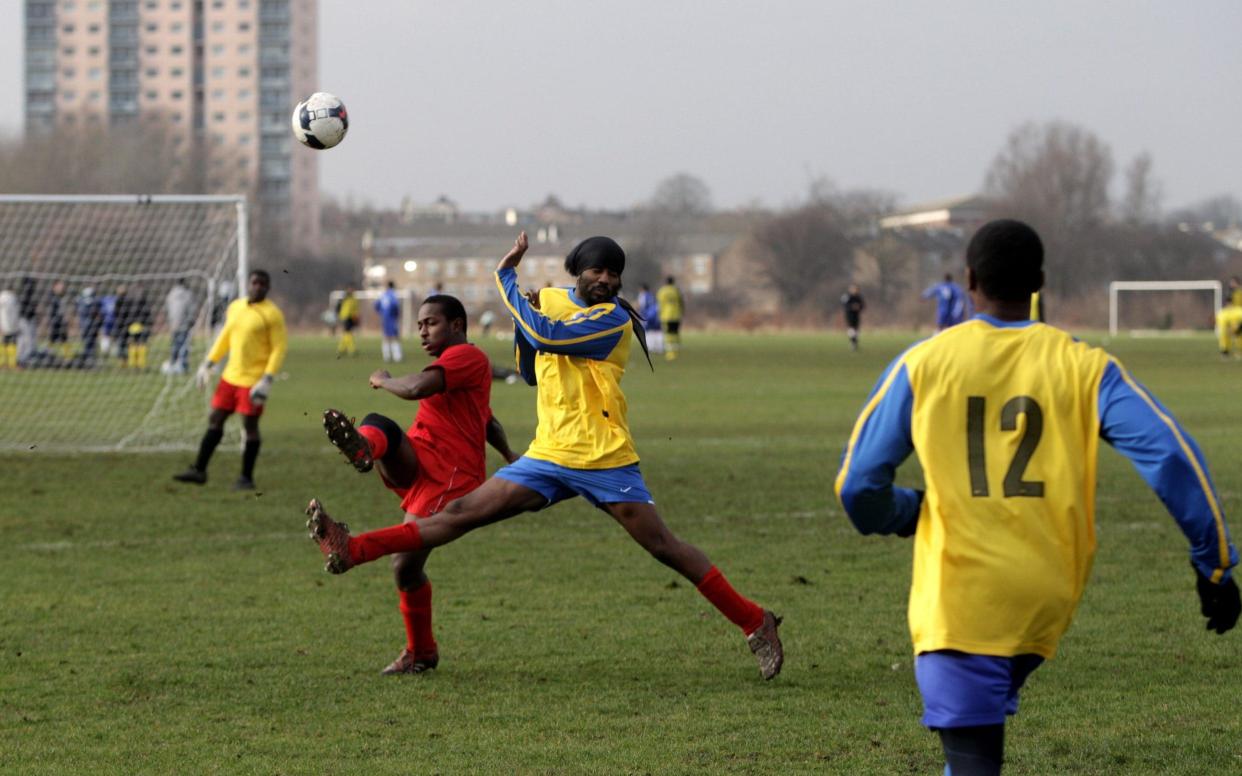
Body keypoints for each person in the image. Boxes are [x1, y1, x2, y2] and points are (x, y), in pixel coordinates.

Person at [834, 219, 1239, 776]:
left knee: (974, 761)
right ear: (1039, 282)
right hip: (1046, 600)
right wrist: (1213, 562)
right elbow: (1170, 455)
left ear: (970, 279)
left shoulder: (923, 363)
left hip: (964, 601)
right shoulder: (1087, 366)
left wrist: (908, 512)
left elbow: (858, 487)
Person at [306, 232, 784, 680]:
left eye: (615, 274)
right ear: (578, 271)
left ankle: (756, 621)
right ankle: (352, 548)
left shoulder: (615, 318)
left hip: (602, 455)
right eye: (598, 271)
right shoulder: (553, 301)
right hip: (549, 452)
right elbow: (531, 366)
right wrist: (527, 319)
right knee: (458, 514)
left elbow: (552, 338)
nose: (608, 280)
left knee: (665, 548)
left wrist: (507, 281)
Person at [318, 294, 520, 674]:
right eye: (420, 326)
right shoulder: (456, 365)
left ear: (457, 325)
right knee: (382, 426)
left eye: (431, 323)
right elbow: (487, 421)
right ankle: (364, 449)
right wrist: (511, 457)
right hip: (421, 459)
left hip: (450, 477)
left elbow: (415, 390)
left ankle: (421, 652)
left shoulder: (466, 357)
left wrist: (384, 379)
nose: (423, 331)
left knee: (405, 567)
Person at [174, 270, 287, 491]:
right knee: (215, 418)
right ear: (248, 284)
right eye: (255, 282)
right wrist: (208, 363)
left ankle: (246, 478)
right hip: (230, 377)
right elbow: (225, 337)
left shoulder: (272, 314)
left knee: (249, 426)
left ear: (268, 287)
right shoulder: (236, 307)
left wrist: (267, 378)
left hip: (253, 380)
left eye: (263, 284)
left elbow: (278, 348)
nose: (258, 287)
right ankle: (199, 470)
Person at [165, 277, 196, 374]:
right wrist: (191, 320)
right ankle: (182, 365)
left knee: (175, 344)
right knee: (184, 344)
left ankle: (173, 364)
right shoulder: (188, 294)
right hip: (184, 323)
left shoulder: (171, 294)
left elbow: (167, 308)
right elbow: (191, 308)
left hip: (173, 323)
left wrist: (169, 320)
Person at [118, 285, 153, 369]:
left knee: (133, 344)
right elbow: (147, 314)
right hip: (140, 325)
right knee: (141, 344)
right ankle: (141, 364)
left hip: (132, 325)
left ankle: (133, 363)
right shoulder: (143, 301)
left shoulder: (129, 301)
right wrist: (148, 324)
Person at [656, 275, 684, 361]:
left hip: (666, 316)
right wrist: (682, 312)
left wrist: (659, 314)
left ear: (665, 282)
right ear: (673, 282)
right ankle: (676, 352)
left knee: (668, 334)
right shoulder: (677, 291)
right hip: (676, 315)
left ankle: (670, 354)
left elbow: (659, 304)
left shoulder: (662, 291)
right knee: (675, 333)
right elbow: (681, 303)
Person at [375, 281, 403, 363]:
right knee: (395, 337)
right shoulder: (393, 295)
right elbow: (395, 306)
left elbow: (376, 305)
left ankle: (386, 356)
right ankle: (397, 357)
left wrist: (381, 313)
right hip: (392, 318)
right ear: (393, 286)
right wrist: (397, 315)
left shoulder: (383, 295)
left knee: (386, 337)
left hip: (384, 318)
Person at [75, 286, 102, 367]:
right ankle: (89, 359)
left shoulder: (82, 301)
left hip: (89, 325)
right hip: (88, 325)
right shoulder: (85, 302)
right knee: (89, 343)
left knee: (91, 343)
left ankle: (90, 359)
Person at [47, 280, 71, 361]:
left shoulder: (63, 296)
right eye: (60, 286)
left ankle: (67, 356)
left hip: (62, 320)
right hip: (54, 320)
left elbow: (65, 308)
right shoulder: (51, 296)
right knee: (52, 338)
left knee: (64, 338)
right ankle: (50, 355)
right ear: (55, 286)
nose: (62, 287)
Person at [637, 283, 663, 355]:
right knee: (657, 331)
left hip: (647, 316)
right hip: (656, 315)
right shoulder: (652, 295)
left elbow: (641, 306)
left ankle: (650, 347)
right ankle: (659, 348)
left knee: (648, 331)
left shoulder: (642, 296)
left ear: (642, 289)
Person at [840, 283, 865, 351]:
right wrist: (852, 307)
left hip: (856, 315)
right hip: (849, 315)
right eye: (853, 289)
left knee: (856, 329)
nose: (855, 290)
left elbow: (863, 306)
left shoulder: (858, 297)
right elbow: (844, 305)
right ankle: (853, 342)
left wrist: (858, 307)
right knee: (851, 328)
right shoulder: (847, 296)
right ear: (850, 289)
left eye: (856, 289)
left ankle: (854, 342)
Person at [336, 286, 360, 358]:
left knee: (346, 333)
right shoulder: (344, 298)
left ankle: (341, 348)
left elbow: (356, 308)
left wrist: (356, 317)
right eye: (350, 289)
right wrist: (339, 314)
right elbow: (338, 306)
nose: (352, 290)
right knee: (348, 332)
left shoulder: (354, 299)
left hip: (352, 317)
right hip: (345, 317)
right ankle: (352, 349)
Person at [0, 286, 18, 368]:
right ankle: (10, 363)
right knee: (9, 342)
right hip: (7, 324)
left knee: (7, 342)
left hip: (7, 324)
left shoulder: (8, 297)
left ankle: (6, 363)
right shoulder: (9, 298)